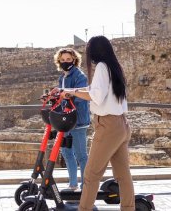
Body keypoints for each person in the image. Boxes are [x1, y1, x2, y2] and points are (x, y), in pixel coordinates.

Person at [59, 36, 135, 211]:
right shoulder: (114, 67)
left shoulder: (101, 67)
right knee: (123, 175)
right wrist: (72, 91)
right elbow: (95, 90)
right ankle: (129, 208)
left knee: (91, 174)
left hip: (108, 126)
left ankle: (84, 208)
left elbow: (96, 96)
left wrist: (75, 93)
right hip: (121, 124)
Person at [51, 47, 90, 190]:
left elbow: (81, 97)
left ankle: (86, 185)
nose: (65, 62)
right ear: (58, 61)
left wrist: (65, 96)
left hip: (78, 121)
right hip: (65, 121)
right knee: (67, 153)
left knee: (81, 155)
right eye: (62, 60)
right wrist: (56, 93)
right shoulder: (62, 77)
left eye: (68, 59)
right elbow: (63, 94)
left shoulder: (79, 76)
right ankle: (73, 184)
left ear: (74, 60)